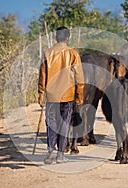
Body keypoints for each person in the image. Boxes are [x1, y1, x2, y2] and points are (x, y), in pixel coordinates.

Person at [38, 26, 84, 164]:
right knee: (64, 124)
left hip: (51, 96)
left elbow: (42, 76)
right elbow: (79, 78)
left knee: (51, 123)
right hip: (67, 95)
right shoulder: (73, 54)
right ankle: (60, 155)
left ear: (55, 37)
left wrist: (41, 95)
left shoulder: (47, 53)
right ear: (67, 38)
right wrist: (79, 96)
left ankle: (50, 151)